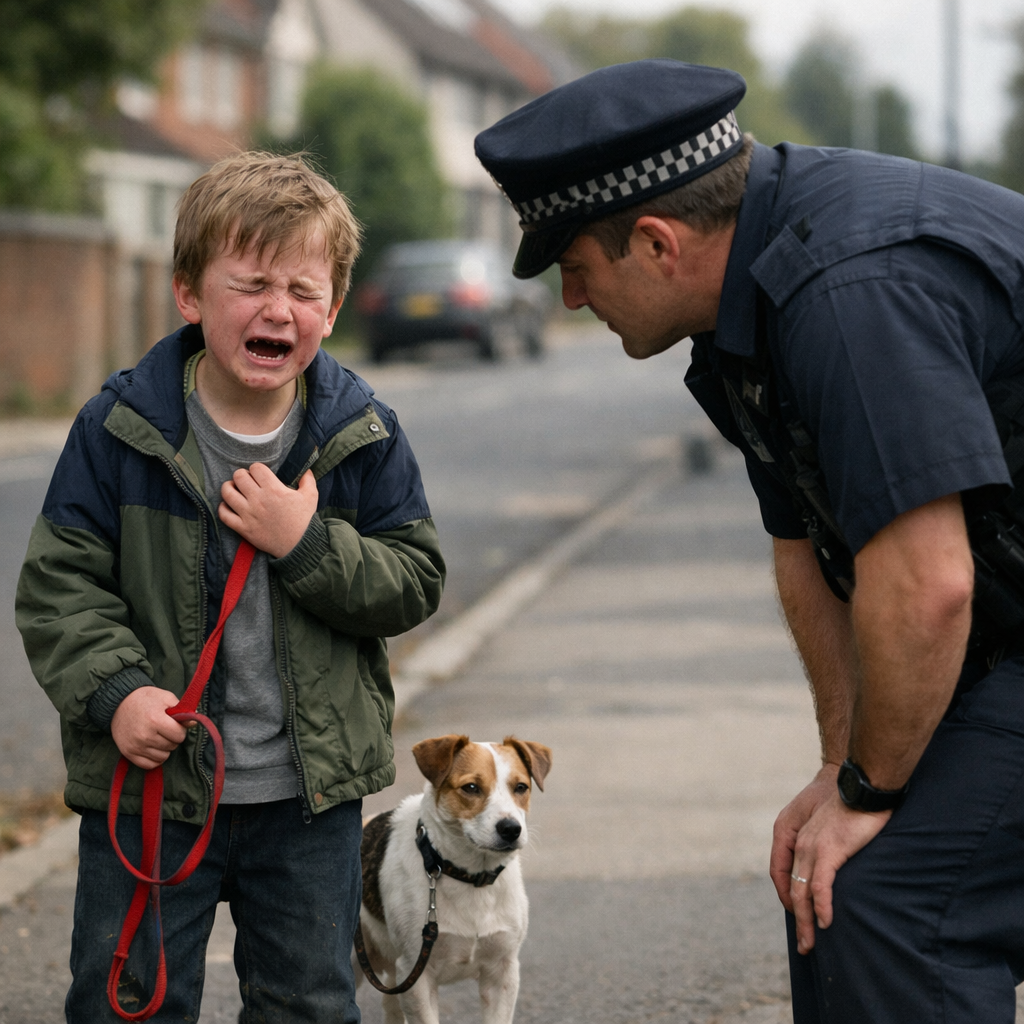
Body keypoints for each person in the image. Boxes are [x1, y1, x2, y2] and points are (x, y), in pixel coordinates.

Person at [475, 59, 1024, 1022]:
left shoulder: (847, 294)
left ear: (655, 243)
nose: (570, 302)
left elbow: (927, 583)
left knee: (891, 902)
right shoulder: (746, 312)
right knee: (828, 877)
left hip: (994, 624)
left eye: (575, 270)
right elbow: (810, 553)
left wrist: (869, 791)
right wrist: (839, 772)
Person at [16, 151, 446, 1023]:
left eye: (303, 289)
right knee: (126, 1003)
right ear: (189, 294)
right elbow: (59, 587)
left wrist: (306, 544)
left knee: (309, 1005)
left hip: (307, 800)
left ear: (332, 306)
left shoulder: (360, 433)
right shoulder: (118, 427)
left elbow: (414, 579)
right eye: (250, 283)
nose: (278, 309)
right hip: (149, 790)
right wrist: (118, 694)